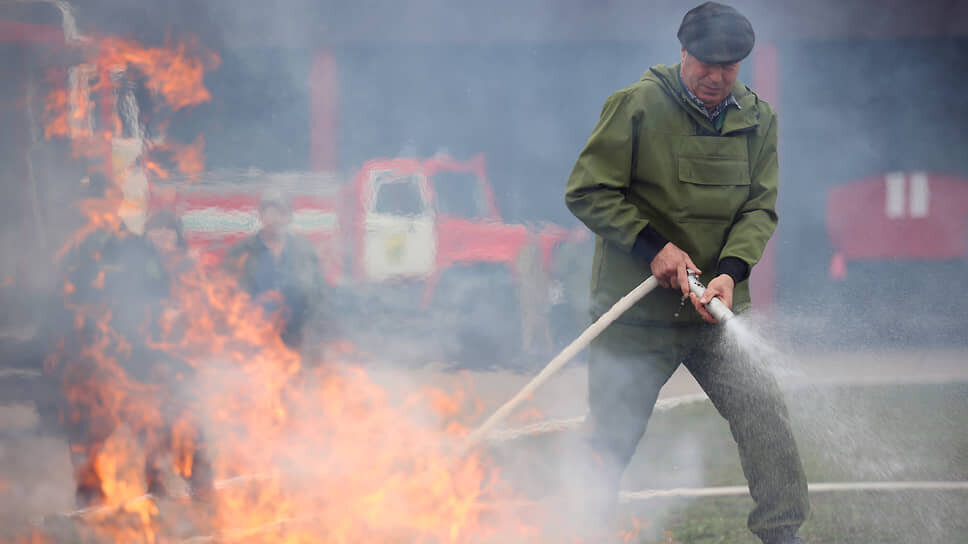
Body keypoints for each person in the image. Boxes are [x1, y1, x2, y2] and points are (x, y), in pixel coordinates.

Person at [563, 3, 809, 543]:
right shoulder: (636, 107)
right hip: (637, 316)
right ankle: (576, 531)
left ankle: (782, 535)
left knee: (766, 418)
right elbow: (587, 191)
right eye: (706, 64)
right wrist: (653, 246)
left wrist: (730, 272)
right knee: (609, 439)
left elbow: (759, 210)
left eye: (730, 66)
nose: (717, 77)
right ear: (682, 53)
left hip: (714, 311)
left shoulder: (759, 120)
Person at [223, 189, 326, 352]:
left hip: (296, 335)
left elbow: (319, 293)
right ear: (261, 216)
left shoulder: (304, 250)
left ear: (289, 217)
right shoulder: (242, 251)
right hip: (254, 334)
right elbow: (227, 293)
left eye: (281, 213)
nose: (276, 219)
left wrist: (312, 327)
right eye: (270, 212)